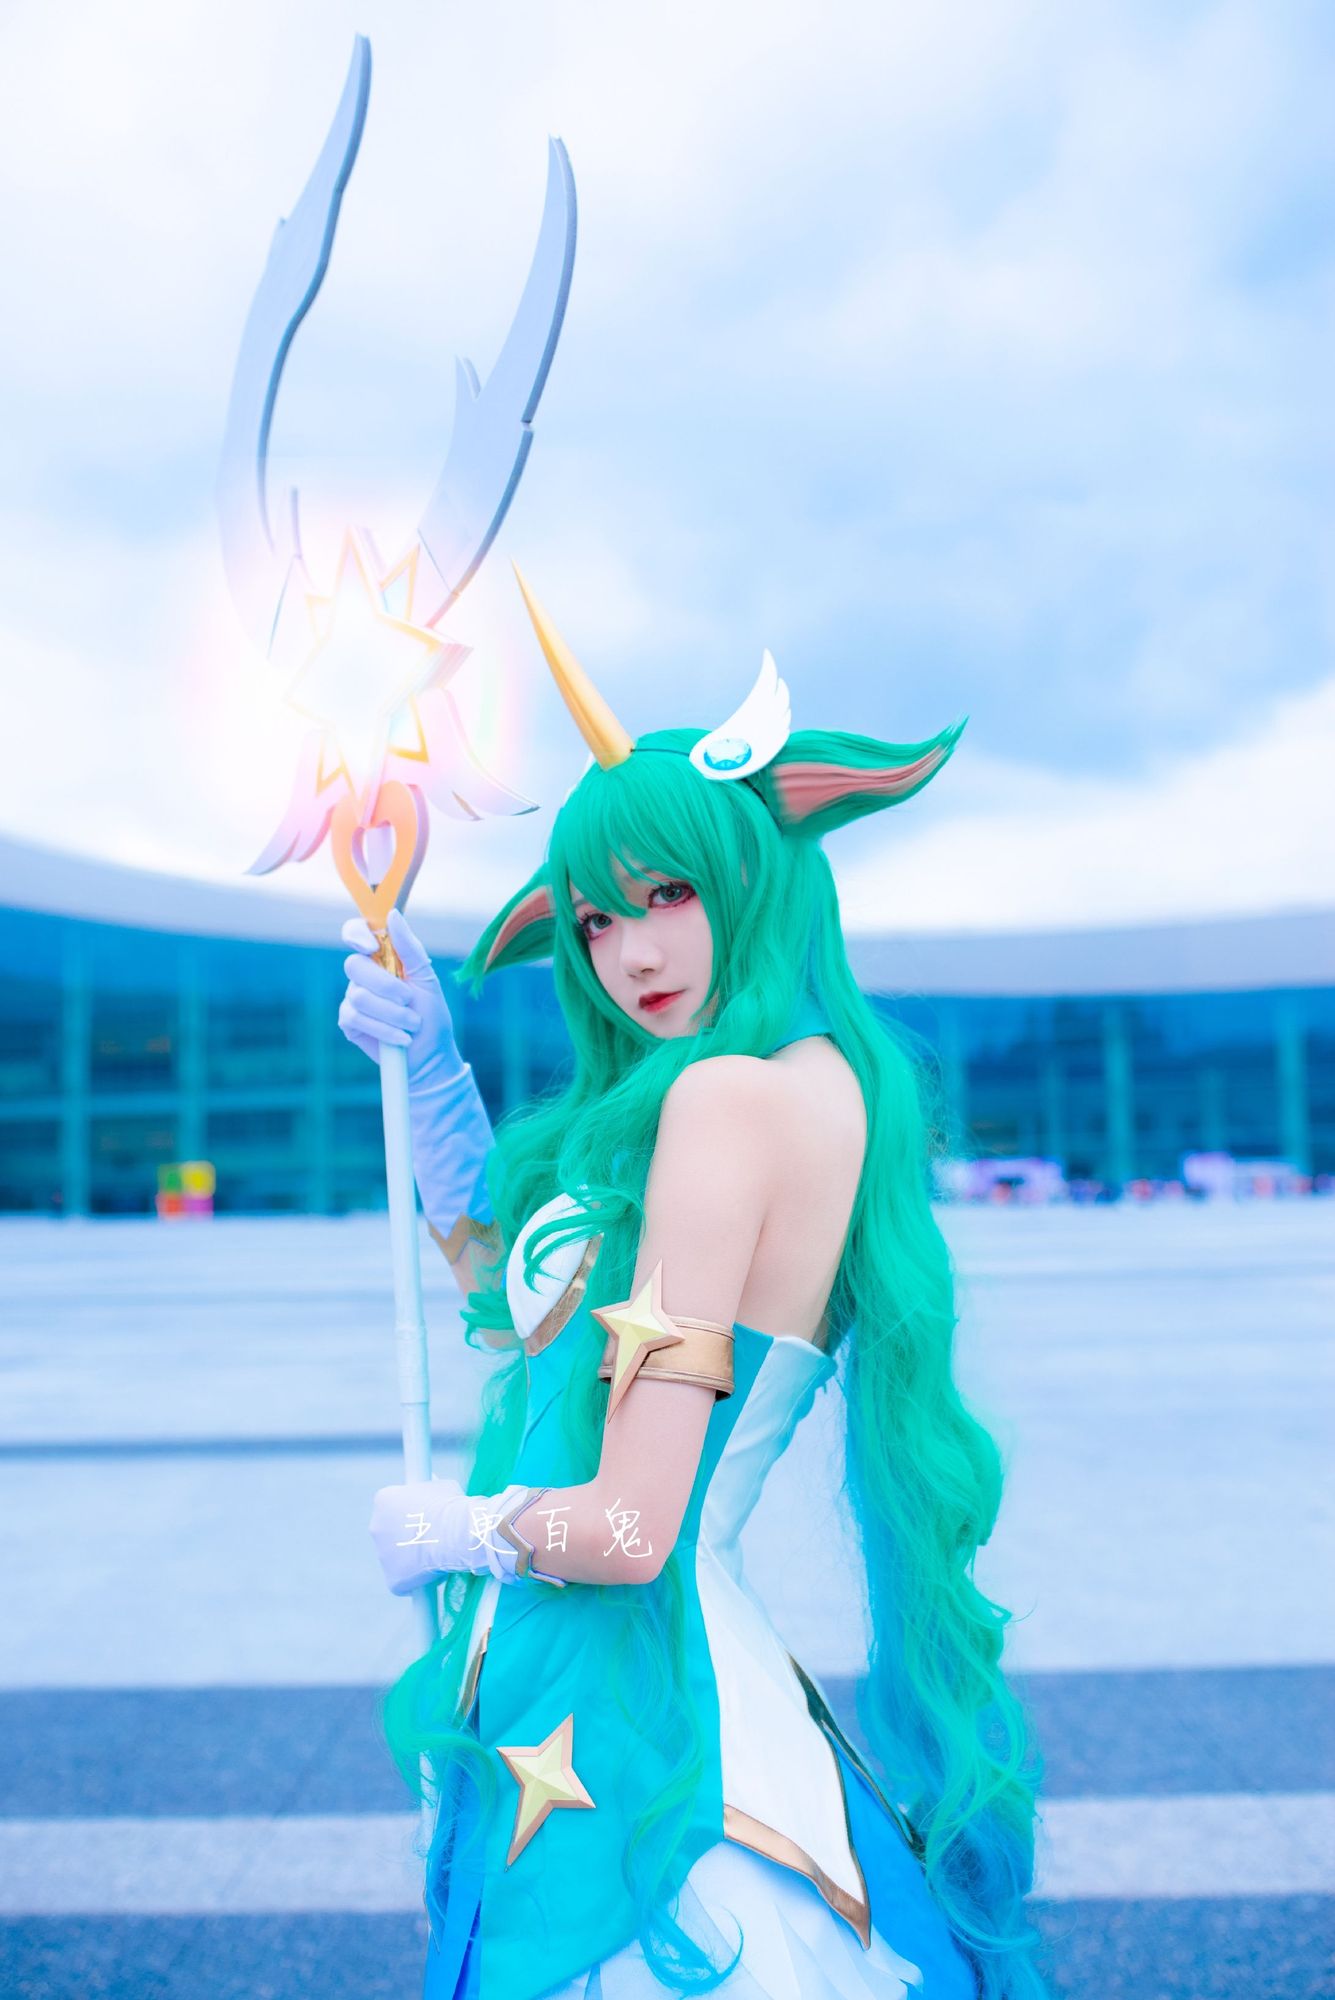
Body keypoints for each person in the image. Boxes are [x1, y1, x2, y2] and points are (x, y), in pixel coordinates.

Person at [339, 570, 1045, 1999]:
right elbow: (529, 1316)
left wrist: (461, 1526)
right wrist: (431, 1079)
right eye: (597, 920)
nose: (633, 953)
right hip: (652, 1697)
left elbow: (630, 1527)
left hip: (642, 1717)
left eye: (668, 894)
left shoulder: (724, 1102)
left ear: (752, 874)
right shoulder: (817, 1083)